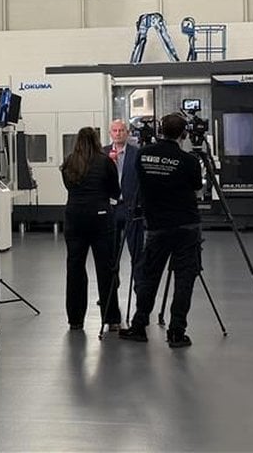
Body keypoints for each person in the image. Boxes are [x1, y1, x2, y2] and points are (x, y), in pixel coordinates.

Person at [120, 113, 203, 348]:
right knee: (184, 279)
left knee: (149, 276)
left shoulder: (143, 154)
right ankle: (177, 331)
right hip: (186, 226)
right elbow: (197, 187)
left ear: (160, 131)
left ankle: (139, 325)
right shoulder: (188, 160)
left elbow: (140, 182)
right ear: (184, 134)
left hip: (156, 226)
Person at [60, 126, 121, 331]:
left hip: (74, 218)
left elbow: (68, 186)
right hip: (100, 218)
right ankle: (111, 318)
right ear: (96, 141)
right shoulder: (105, 161)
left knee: (75, 268)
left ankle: (75, 320)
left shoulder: (69, 162)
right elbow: (115, 191)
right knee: (106, 268)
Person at [104, 119, 144, 263]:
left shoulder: (137, 153)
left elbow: (142, 179)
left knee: (136, 250)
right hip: (110, 207)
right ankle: (112, 278)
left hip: (131, 207)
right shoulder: (103, 153)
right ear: (110, 133)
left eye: (121, 130)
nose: (118, 134)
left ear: (127, 133)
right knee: (111, 251)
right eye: (115, 131)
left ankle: (138, 277)